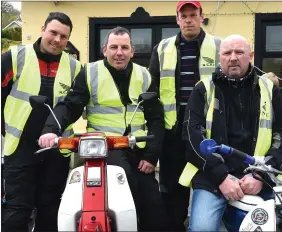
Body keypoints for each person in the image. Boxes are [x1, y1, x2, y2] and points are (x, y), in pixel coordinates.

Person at [38, 26, 168, 231]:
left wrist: (151, 156)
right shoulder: (89, 73)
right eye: (114, 47)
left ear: (132, 51)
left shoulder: (144, 75)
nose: (119, 52)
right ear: (104, 50)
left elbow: (157, 119)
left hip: (139, 150)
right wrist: (51, 129)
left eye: (124, 47)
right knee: (126, 195)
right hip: (104, 150)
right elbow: (70, 106)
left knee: (155, 208)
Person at [182, 34, 282, 231]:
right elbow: (191, 138)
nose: (233, 57)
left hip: (259, 175)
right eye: (227, 53)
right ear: (220, 57)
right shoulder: (203, 89)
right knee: (202, 229)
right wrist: (222, 177)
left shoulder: (270, 90)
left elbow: (280, 135)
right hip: (213, 177)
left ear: (250, 56)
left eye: (239, 52)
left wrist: (260, 175)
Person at [1, 12, 82, 232]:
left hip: (57, 149)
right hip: (20, 148)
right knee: (17, 211)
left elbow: (74, 106)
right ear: (42, 30)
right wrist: (5, 129)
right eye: (53, 32)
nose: (57, 40)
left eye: (63, 36)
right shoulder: (15, 57)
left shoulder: (75, 67)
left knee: (51, 210)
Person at [148, 1, 221, 230]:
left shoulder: (219, 46)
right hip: (174, 129)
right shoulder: (162, 48)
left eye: (193, 15)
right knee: (172, 186)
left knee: (209, 181)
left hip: (207, 130)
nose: (188, 20)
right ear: (177, 19)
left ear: (201, 17)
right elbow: (152, 89)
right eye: (184, 15)